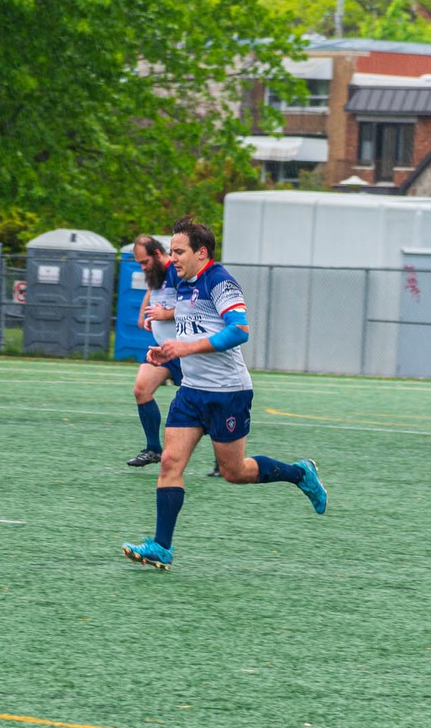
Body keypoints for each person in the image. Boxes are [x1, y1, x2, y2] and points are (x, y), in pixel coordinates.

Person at [121, 217, 326, 569]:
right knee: (170, 461)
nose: (174, 258)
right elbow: (187, 328)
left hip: (228, 393)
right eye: (171, 251)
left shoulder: (220, 281)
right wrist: (166, 350)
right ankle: (161, 545)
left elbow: (239, 331)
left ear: (202, 253)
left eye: (180, 251)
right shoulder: (181, 280)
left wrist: (186, 350)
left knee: (235, 471)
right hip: (191, 392)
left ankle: (299, 473)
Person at [125, 234, 179, 467]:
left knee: (204, 405)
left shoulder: (179, 272)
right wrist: (148, 316)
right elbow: (154, 294)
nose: (143, 267)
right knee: (141, 389)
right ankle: (153, 449)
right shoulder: (156, 273)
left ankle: (223, 456)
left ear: (157, 254)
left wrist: (164, 315)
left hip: (186, 351)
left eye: (144, 262)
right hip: (162, 350)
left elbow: (197, 308)